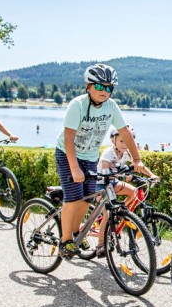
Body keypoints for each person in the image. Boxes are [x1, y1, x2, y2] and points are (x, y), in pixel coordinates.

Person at [54, 64, 150, 259]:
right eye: (99, 86)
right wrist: (74, 168)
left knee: (87, 197)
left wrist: (137, 159)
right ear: (88, 86)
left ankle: (74, 234)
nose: (104, 91)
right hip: (67, 153)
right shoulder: (78, 105)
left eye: (108, 88)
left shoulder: (111, 106)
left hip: (89, 156)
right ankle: (65, 241)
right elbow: (68, 138)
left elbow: (125, 133)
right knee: (73, 197)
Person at [94, 126, 157, 258]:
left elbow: (139, 167)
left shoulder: (127, 154)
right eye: (121, 141)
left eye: (127, 142)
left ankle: (120, 213)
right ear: (113, 141)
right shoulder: (108, 153)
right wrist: (119, 176)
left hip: (114, 184)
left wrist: (151, 175)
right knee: (107, 213)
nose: (125, 145)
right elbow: (105, 170)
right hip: (101, 185)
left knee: (134, 193)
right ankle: (100, 244)